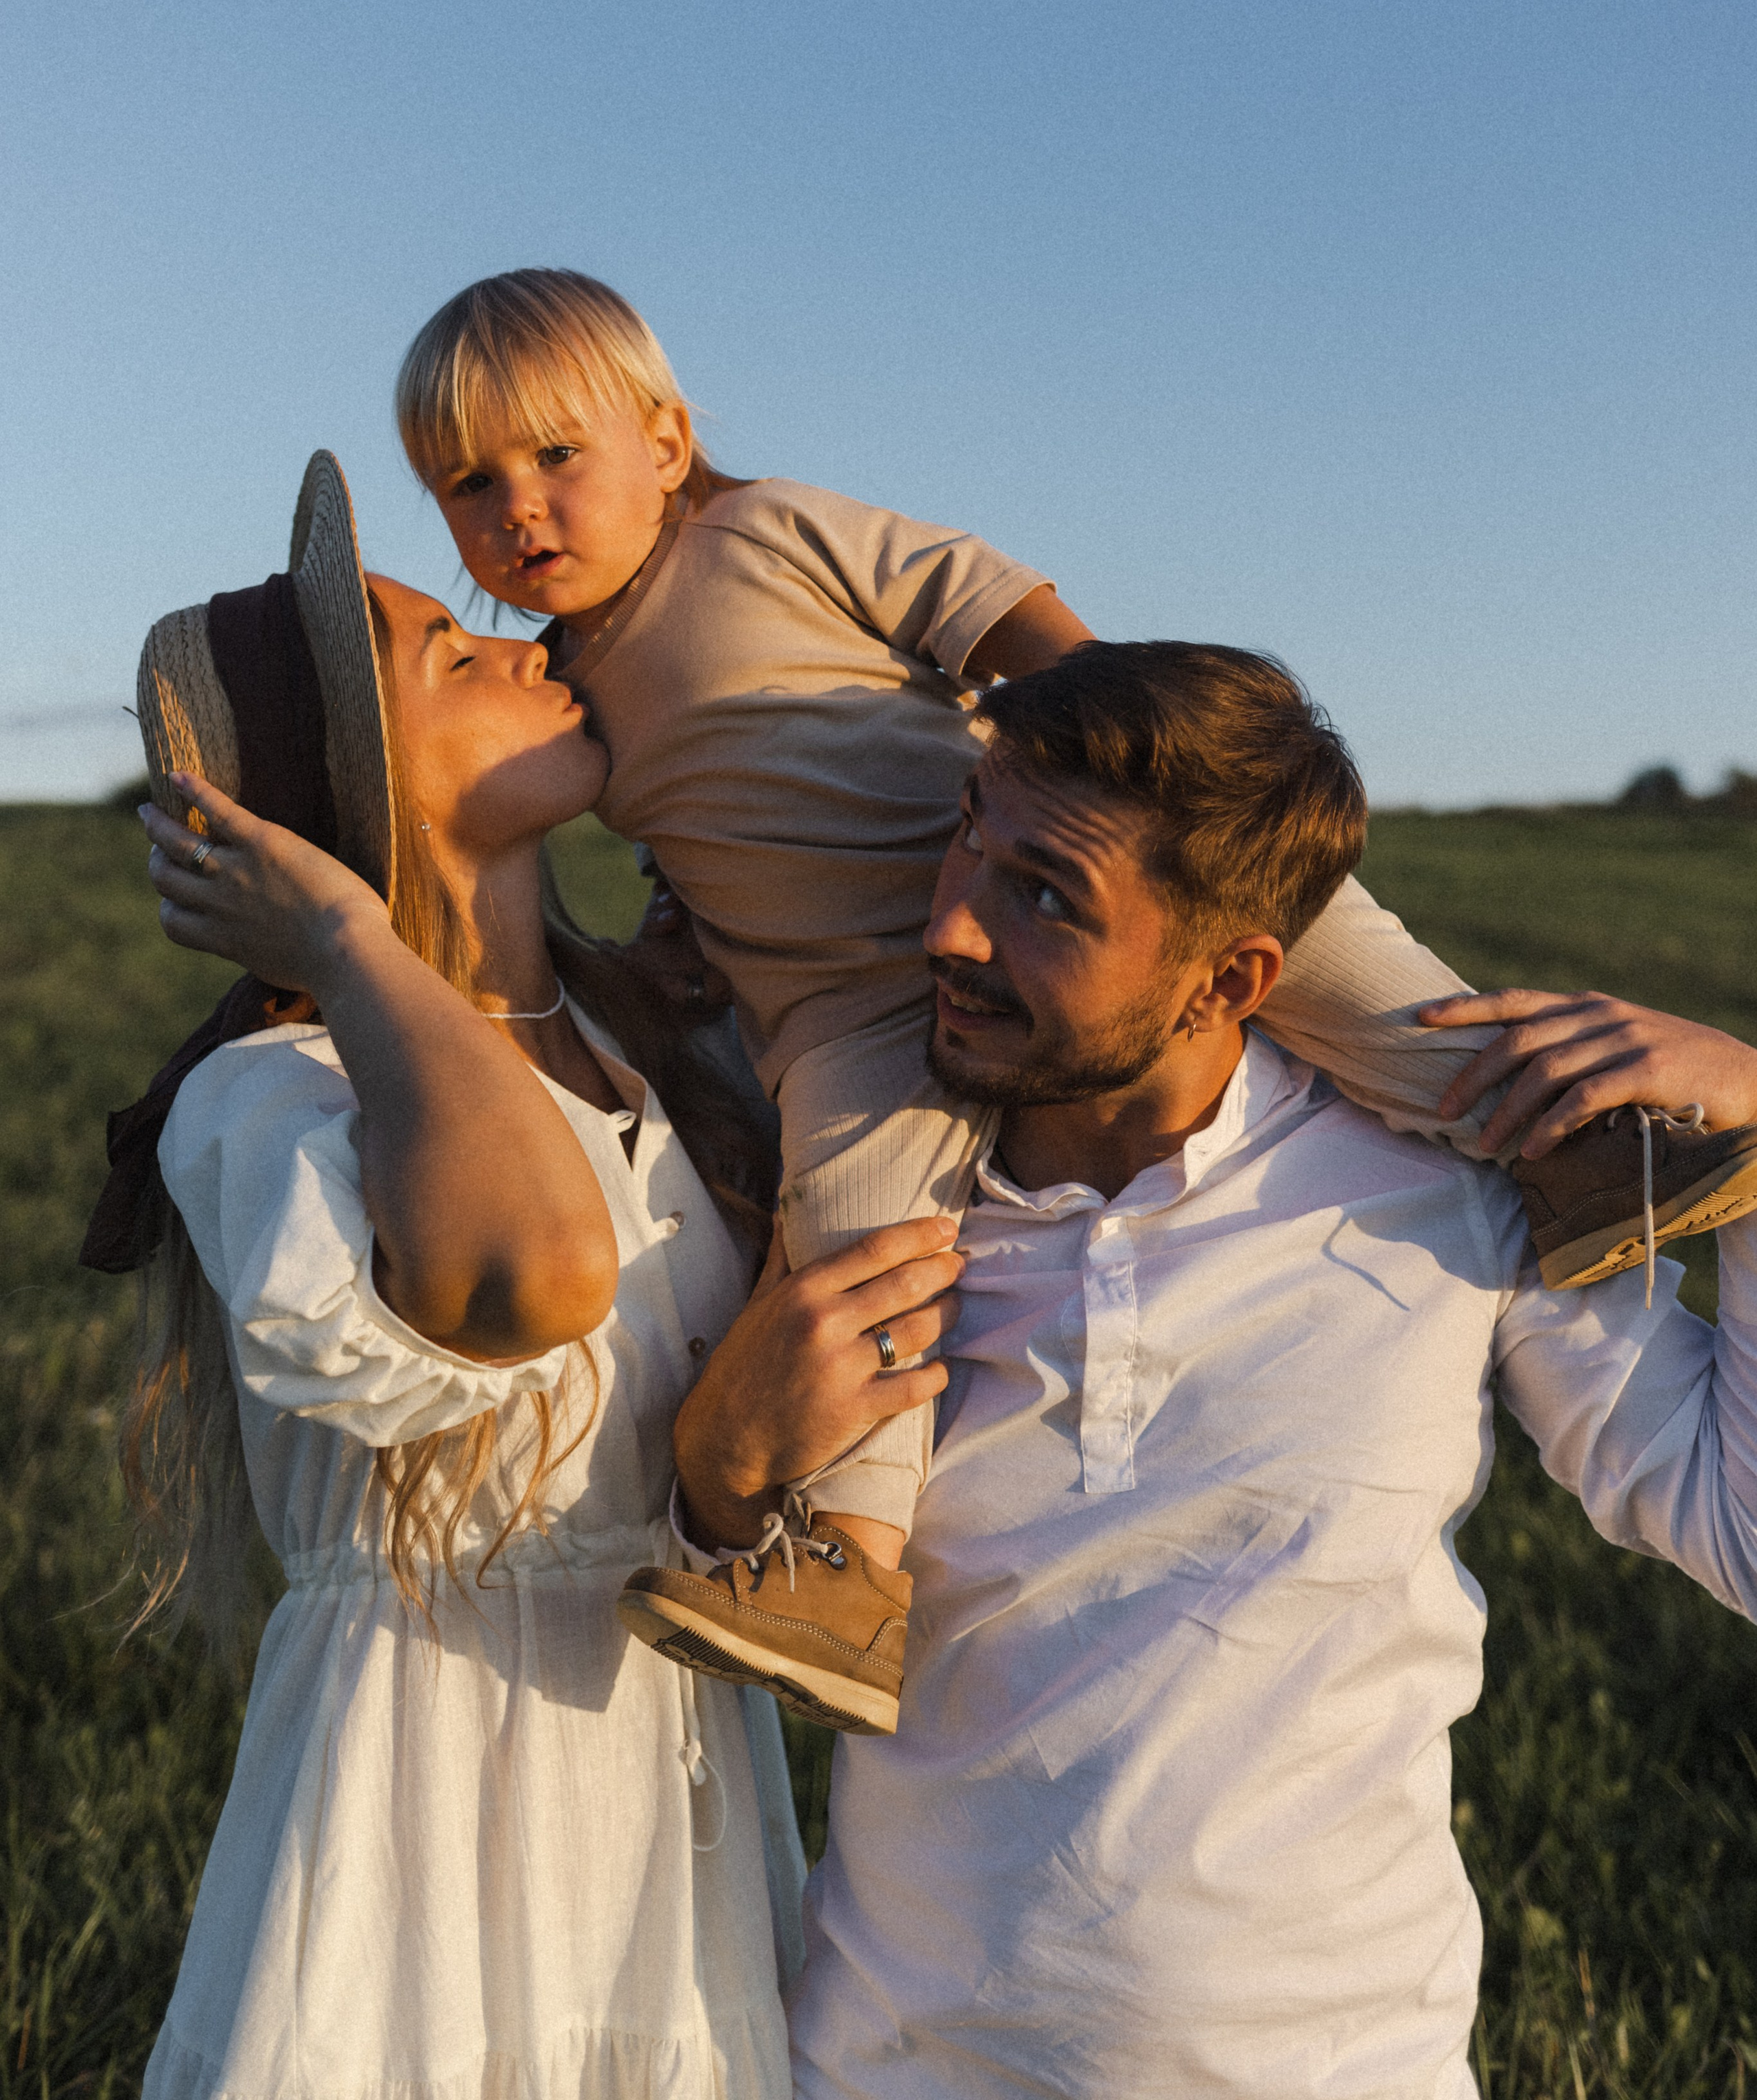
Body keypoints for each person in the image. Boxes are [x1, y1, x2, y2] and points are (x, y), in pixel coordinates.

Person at [393, 268, 1757, 1732]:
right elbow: (699, 828)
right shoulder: (564, 692)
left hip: (1038, 864)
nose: (518, 510)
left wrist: (1127, 762)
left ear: (666, 442)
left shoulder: (767, 533)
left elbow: (978, 601)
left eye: (556, 456)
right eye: (469, 484)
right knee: (859, 1247)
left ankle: (1580, 1152)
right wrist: (676, 923)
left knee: (1357, 982)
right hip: (844, 1008)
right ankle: (847, 1566)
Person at [664, 640, 1757, 2099]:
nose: (951, 927)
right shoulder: (844, 1187)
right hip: (887, 2068)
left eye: (1044, 897)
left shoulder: (1453, 1188)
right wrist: (720, 1469)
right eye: (967, 838)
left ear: (1227, 978)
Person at [94, 451, 808, 2100]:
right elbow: (538, 1273)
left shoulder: (660, 1045)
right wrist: (348, 943)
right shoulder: (278, 1099)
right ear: (355, 791)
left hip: (669, 1776)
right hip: (426, 1792)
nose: (522, 643)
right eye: (449, 653)